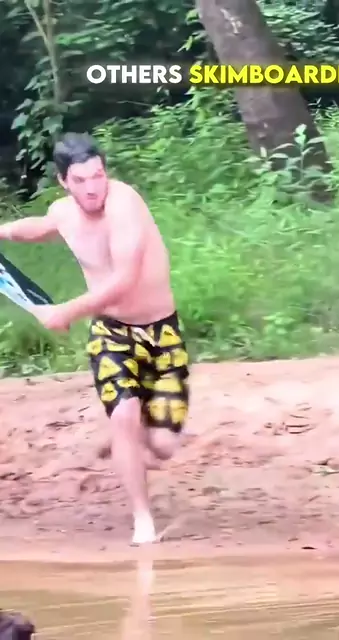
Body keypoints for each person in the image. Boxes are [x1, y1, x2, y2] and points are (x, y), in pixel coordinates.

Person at [0, 132, 190, 545]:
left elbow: (124, 280)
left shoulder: (125, 205)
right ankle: (143, 521)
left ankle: (128, 437)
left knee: (163, 446)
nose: (92, 188)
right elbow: (42, 227)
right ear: (63, 182)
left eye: (98, 176)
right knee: (123, 416)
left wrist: (65, 312)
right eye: (81, 180)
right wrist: (3, 231)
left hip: (160, 331)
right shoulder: (63, 212)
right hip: (111, 331)